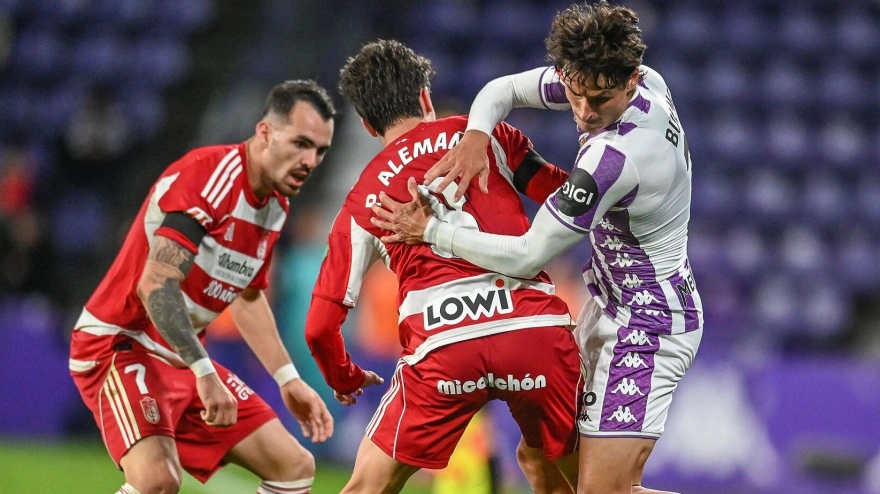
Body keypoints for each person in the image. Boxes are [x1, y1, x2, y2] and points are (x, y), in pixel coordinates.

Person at [371, 3, 702, 494]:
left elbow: (529, 255)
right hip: (608, 306)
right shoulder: (638, 80)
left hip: (648, 325)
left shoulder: (617, 157)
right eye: (576, 95)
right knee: (540, 455)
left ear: (630, 81)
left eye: (601, 100)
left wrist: (435, 234)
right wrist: (476, 138)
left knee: (599, 491)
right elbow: (501, 90)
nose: (586, 112)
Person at [304, 40, 583, 493]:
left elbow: (319, 327)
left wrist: (344, 376)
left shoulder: (362, 201)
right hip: (531, 330)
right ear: (425, 99)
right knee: (579, 479)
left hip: (444, 346)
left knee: (365, 487)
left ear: (367, 124)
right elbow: (566, 197)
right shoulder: (487, 137)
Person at [68, 80, 336, 494]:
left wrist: (287, 378)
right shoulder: (210, 175)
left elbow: (247, 296)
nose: (310, 160)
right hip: (121, 344)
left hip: (181, 358)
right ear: (265, 132)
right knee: (158, 481)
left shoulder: (275, 208)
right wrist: (205, 372)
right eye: (301, 143)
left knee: (294, 466)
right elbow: (155, 284)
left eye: (320, 150)